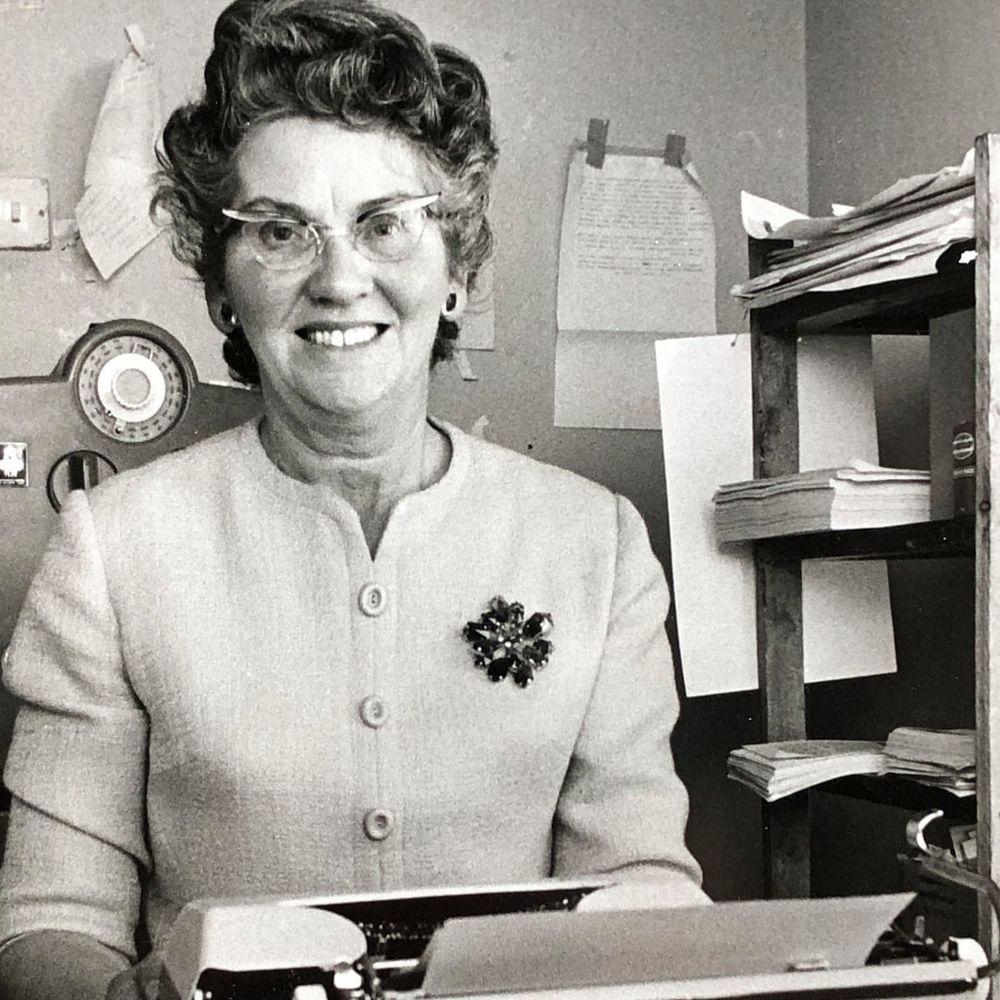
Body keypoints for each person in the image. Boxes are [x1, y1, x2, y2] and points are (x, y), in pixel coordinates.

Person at [0, 0, 708, 996]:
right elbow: (48, 926)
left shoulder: (594, 543)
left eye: (384, 226)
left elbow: (641, 885)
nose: (341, 278)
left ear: (455, 268)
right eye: (282, 231)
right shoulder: (109, 552)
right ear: (222, 288)